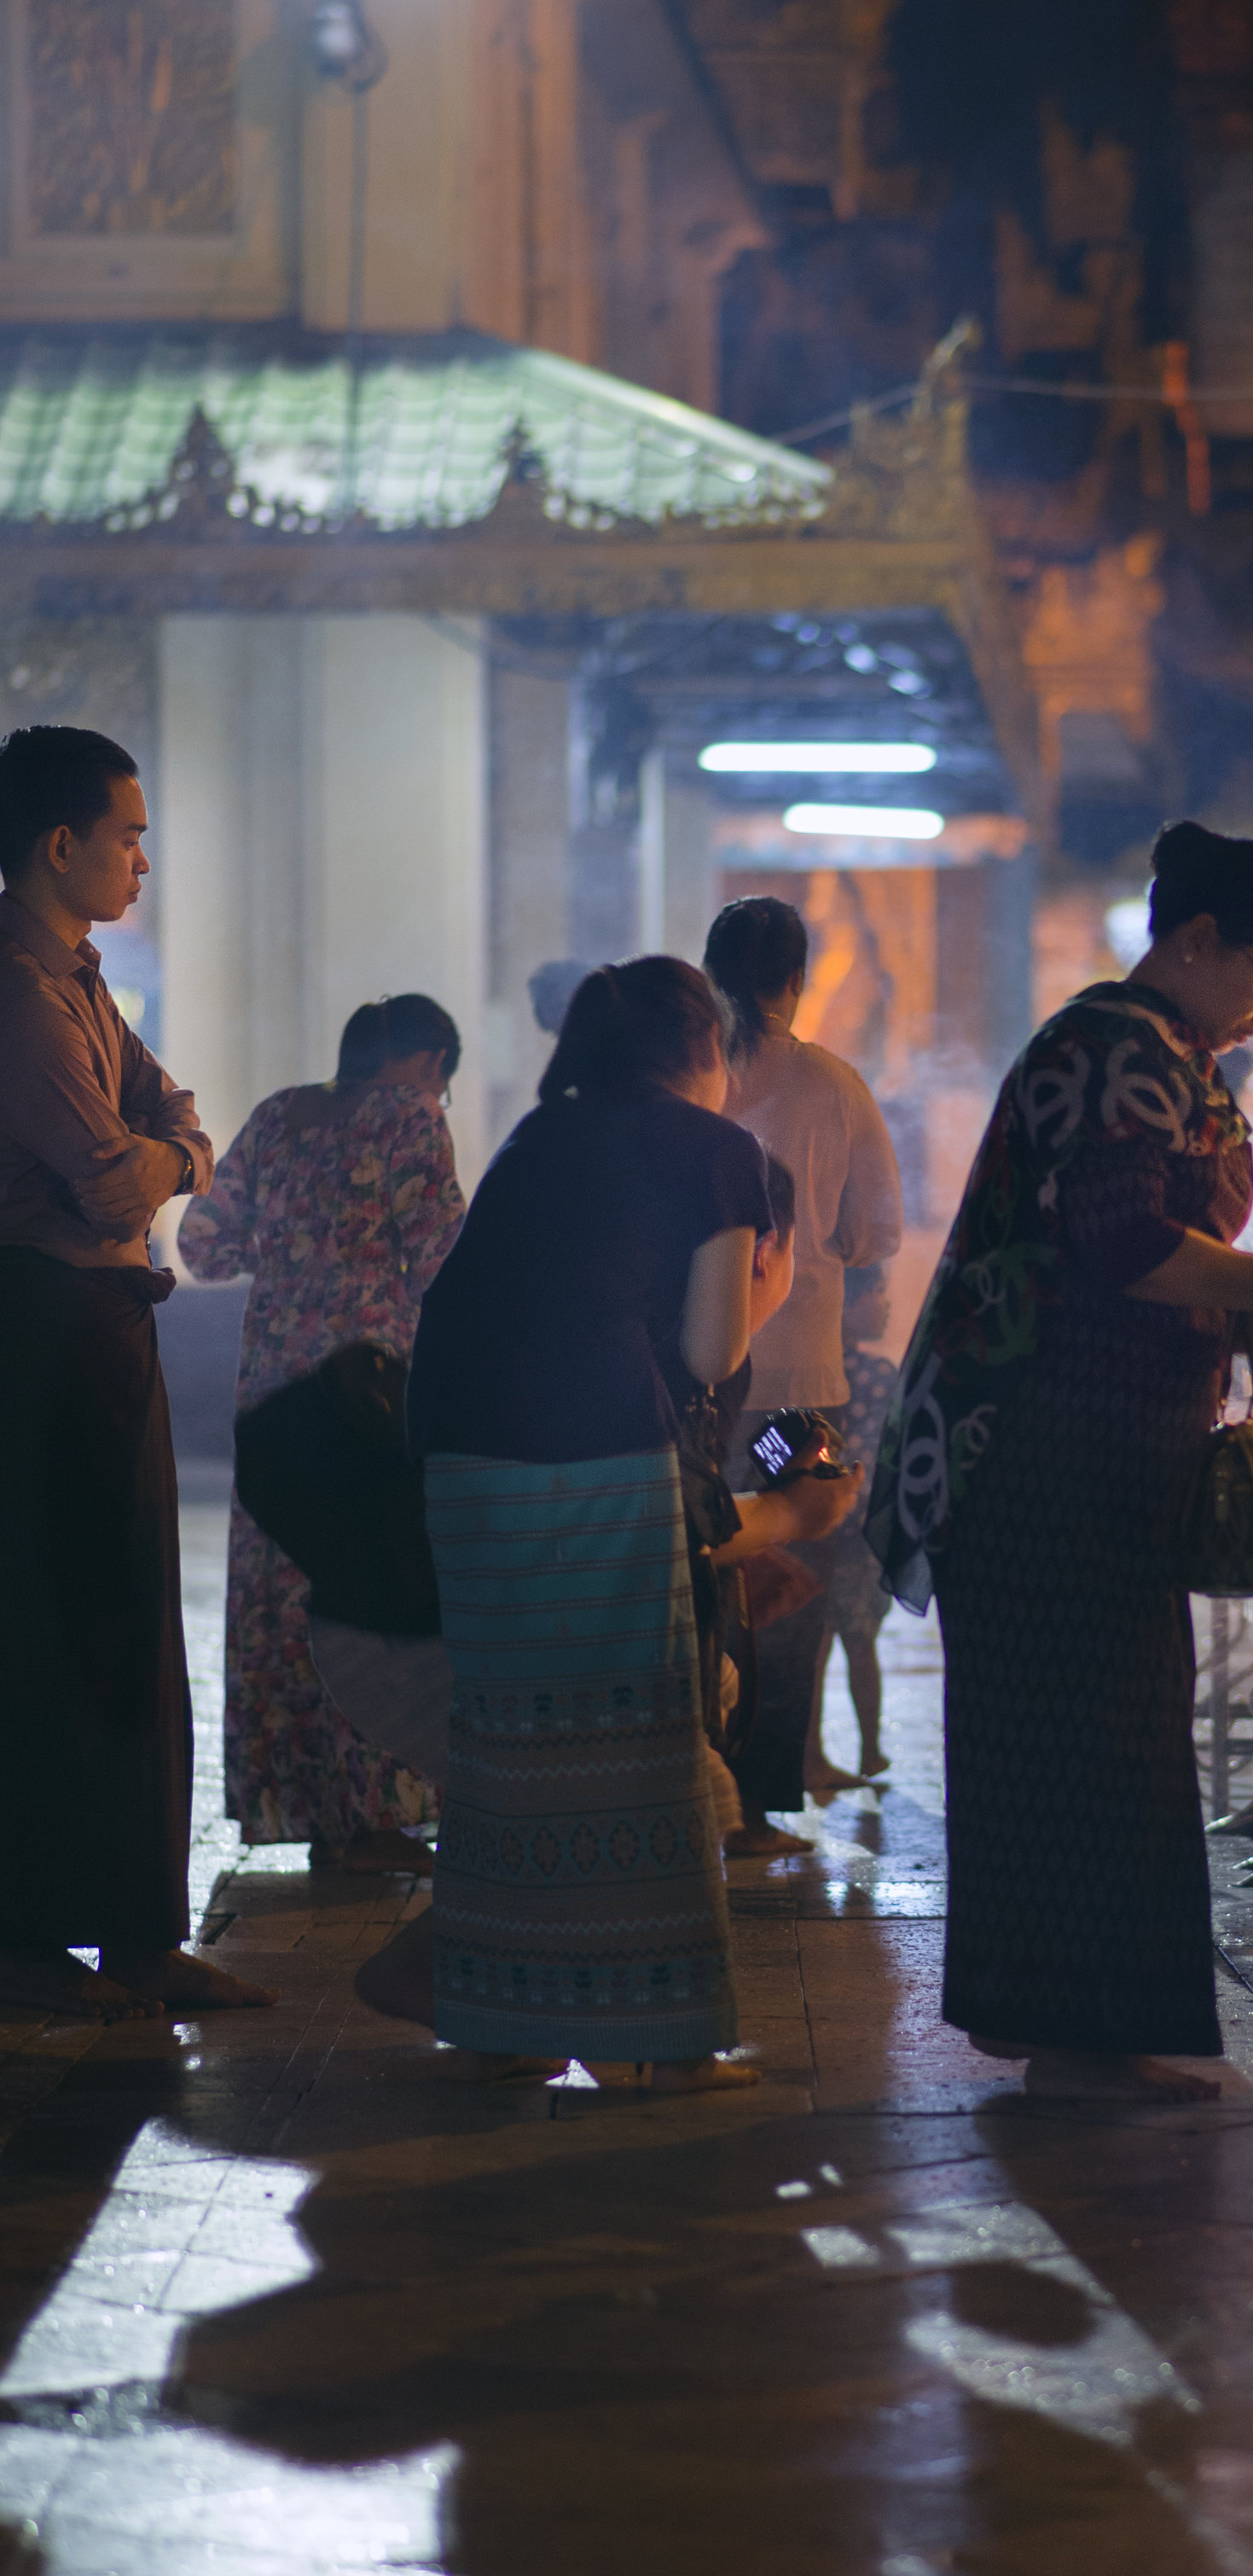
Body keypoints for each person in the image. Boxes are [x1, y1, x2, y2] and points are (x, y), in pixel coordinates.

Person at [869, 819, 1253, 2103]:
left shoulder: (1165, 1054)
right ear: (1193, 942)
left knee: (1112, 1730)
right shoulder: (1107, 1049)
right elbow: (1126, 1246)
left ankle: (1079, 2028)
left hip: (1103, 1454)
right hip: (1035, 1446)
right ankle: (1079, 2038)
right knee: (1079, 1739)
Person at [400, 956, 856, 2089]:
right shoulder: (716, 1152)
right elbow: (713, 1357)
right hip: (592, 1458)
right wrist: (772, 1287)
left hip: (458, 1453)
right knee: (638, 1746)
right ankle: (655, 2041)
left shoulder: (534, 1137)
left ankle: (510, 2017)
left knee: (518, 1742)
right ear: (706, 1049)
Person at [0, 724, 272, 2025]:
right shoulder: (17, 991)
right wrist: (168, 1151)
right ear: (61, 846)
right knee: (77, 1630)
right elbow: (126, 1168)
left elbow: (180, 1123)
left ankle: (122, 1929)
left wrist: (166, 1146)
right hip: (49, 1332)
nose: (144, 860)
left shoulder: (85, 984)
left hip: (99, 1326)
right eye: (127, 835)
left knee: (119, 1625)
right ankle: (84, 1934)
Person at [177, 995, 464, 1867]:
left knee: (282, 1597)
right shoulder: (408, 1121)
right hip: (366, 1398)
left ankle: (304, 1809)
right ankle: (374, 1817)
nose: (438, 1098)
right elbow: (446, 1257)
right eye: (441, 1081)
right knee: (372, 1585)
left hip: (272, 1394)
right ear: (421, 1064)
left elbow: (205, 1247)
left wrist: (299, 1247)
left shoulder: (276, 1116)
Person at [703, 895, 903, 1849]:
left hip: (699, 1386)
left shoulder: (692, 1078)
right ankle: (758, 1796)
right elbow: (877, 1231)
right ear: (798, 979)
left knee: (702, 1564)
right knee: (791, 1577)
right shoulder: (833, 1085)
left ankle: (697, 1781)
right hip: (796, 1389)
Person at [805, 1259, 898, 1792]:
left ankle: (815, 1752)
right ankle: (867, 1750)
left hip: (817, 1524)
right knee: (859, 1641)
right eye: (878, 1293)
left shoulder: (812, 1374)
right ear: (846, 1304)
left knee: (817, 1646)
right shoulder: (872, 1374)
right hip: (856, 1532)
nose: (884, 1305)